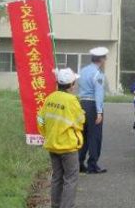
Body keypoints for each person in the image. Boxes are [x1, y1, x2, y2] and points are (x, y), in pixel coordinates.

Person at [37, 68, 85, 208]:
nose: (75, 85)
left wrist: (47, 134)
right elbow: (80, 122)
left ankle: (55, 205)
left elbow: (40, 119)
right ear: (70, 85)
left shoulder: (50, 98)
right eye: (74, 83)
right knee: (70, 179)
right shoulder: (72, 100)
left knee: (57, 178)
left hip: (52, 145)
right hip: (68, 147)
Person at [78, 47, 109, 174]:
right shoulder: (98, 74)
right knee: (94, 135)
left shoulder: (83, 70)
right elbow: (99, 93)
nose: (106, 60)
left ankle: (79, 162)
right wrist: (99, 111)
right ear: (101, 59)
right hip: (92, 105)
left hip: (81, 104)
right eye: (105, 58)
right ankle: (92, 164)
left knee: (83, 134)